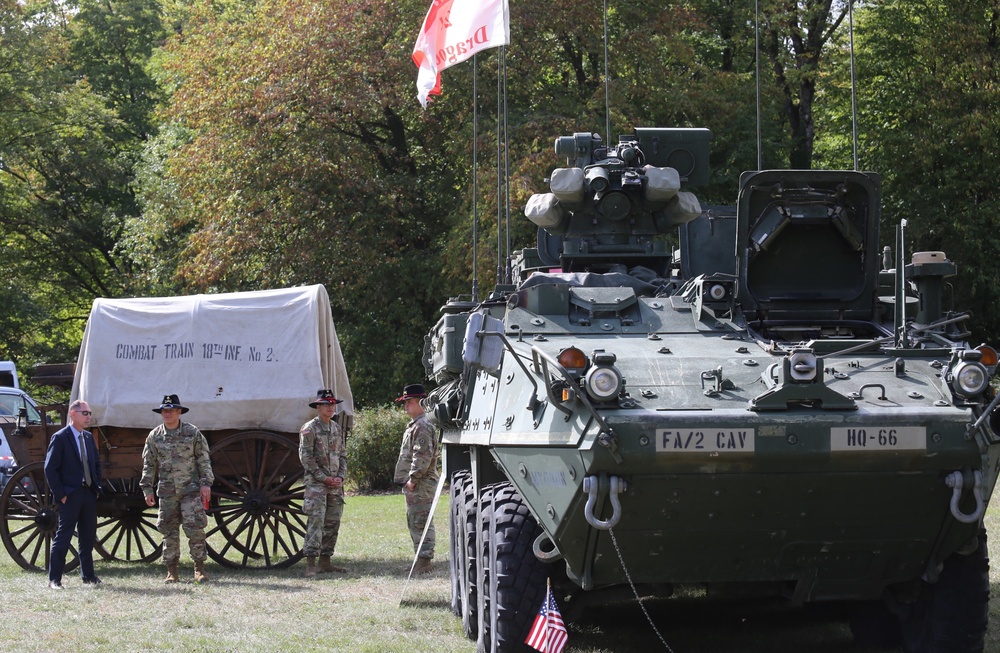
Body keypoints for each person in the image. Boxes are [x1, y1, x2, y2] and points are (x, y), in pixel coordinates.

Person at [139, 394, 214, 583]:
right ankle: (171, 571)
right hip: (167, 491)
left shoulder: (192, 433)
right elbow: (149, 464)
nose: (168, 413)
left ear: (179, 412)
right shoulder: (155, 436)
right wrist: (147, 489)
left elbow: (203, 459)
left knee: (195, 529)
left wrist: (206, 483)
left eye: (171, 410)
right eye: (165, 410)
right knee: (169, 531)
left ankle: (199, 569)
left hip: (191, 489)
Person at [44, 399, 103, 589]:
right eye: (84, 413)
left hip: (88, 493)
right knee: (64, 536)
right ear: (73, 414)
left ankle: (88, 576)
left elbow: (96, 465)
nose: (88, 417)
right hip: (70, 495)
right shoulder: (61, 437)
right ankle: (54, 579)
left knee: (88, 536)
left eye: (89, 413)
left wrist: (97, 487)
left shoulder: (87, 437)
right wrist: (61, 494)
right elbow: (50, 468)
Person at [298, 389, 348, 577]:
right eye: (326, 404)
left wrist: (340, 477)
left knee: (332, 522)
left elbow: (342, 455)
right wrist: (323, 477)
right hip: (316, 485)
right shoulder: (309, 429)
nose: (330, 408)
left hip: (335, 484)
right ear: (318, 407)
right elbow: (306, 457)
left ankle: (325, 562)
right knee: (316, 522)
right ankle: (311, 564)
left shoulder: (336, 428)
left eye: (332, 404)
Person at [393, 383, 439, 574]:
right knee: (415, 520)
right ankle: (420, 559)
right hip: (417, 483)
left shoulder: (422, 426)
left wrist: (413, 478)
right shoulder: (417, 425)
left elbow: (422, 456)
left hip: (421, 483)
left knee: (421, 520)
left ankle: (425, 561)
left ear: (421, 402)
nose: (406, 406)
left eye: (409, 402)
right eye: (405, 402)